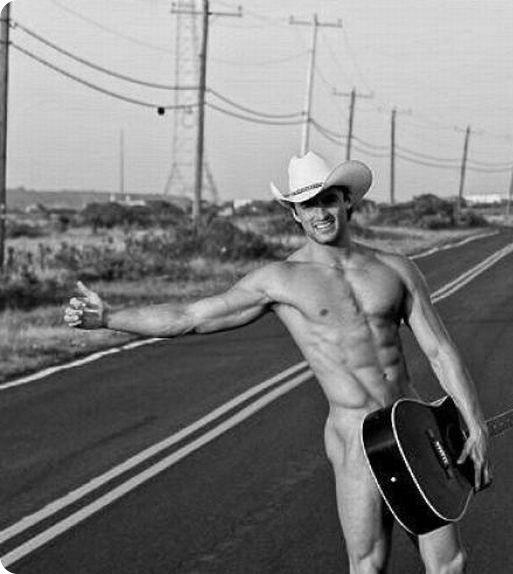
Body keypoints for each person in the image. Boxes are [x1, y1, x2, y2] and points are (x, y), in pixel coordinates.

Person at [64, 151, 491, 574]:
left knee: (449, 564)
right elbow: (190, 317)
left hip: (413, 427)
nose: (320, 213)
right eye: (308, 205)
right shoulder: (280, 280)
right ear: (295, 214)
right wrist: (109, 318)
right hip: (354, 435)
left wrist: (476, 425)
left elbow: (440, 351)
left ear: (346, 201)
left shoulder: (396, 269)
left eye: (327, 200)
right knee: (368, 565)